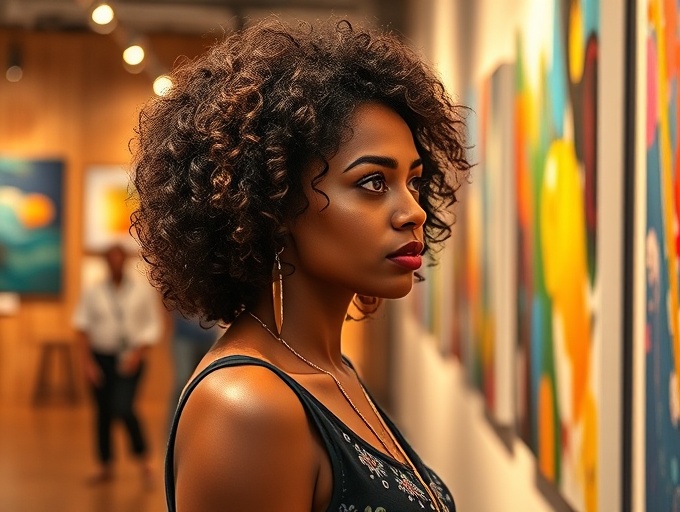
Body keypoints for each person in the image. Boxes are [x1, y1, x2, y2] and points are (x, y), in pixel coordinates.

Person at [131, 17, 471, 512]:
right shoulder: (249, 407)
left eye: (414, 182)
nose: (414, 211)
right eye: (374, 182)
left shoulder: (331, 371)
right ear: (275, 205)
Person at [73, 244, 162, 483]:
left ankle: (144, 459)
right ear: (105, 263)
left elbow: (152, 326)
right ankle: (105, 465)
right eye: (110, 259)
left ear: (124, 262)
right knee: (102, 413)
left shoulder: (142, 292)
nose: (115, 263)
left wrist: (138, 353)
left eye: (119, 259)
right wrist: (88, 363)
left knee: (124, 407)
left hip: (131, 358)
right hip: (100, 358)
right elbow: (82, 327)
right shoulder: (94, 292)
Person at [167, 312, 223, 424]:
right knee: (182, 382)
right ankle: (173, 431)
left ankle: (202, 428)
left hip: (209, 336)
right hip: (184, 337)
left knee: (208, 384)